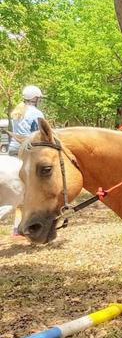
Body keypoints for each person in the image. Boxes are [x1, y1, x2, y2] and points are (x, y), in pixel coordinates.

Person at [7, 85, 45, 237]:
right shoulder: (37, 113)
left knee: (19, 190)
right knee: (32, 188)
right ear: (35, 98)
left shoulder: (16, 112)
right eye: (39, 98)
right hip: (28, 151)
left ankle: (16, 226)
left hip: (12, 149)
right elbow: (39, 134)